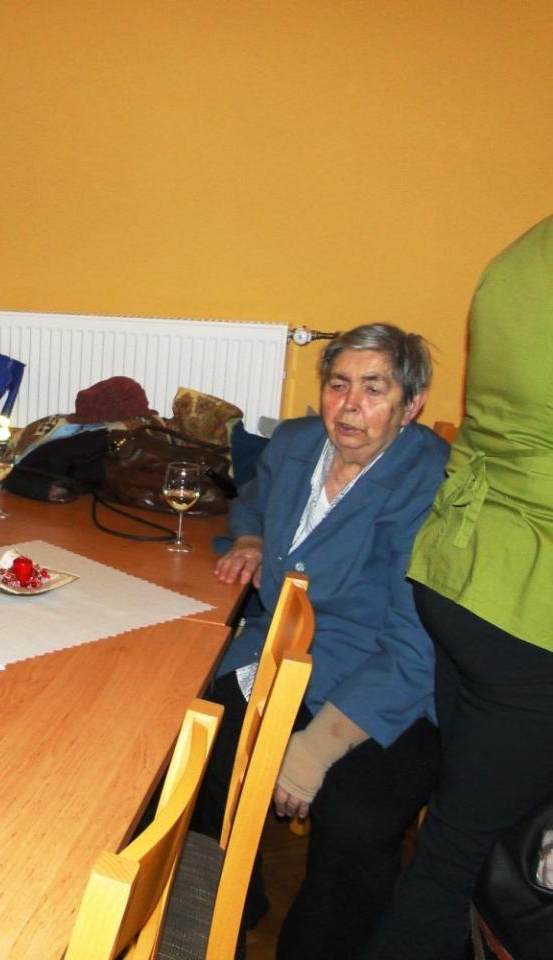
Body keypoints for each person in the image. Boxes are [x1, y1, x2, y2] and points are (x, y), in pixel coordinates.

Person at [206, 323, 449, 959]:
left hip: (388, 679)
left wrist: (317, 747)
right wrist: (251, 537)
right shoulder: (295, 443)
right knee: (200, 742)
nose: (349, 406)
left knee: (356, 816)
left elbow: (417, 638)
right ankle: (216, 915)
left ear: (411, 404)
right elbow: (252, 501)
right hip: (282, 653)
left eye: (373, 389)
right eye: (338, 385)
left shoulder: (433, 483)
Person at [365, 218, 553, 959]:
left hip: (460, 570)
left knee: (463, 831)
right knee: (459, 858)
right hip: (527, 604)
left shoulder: (526, 253)